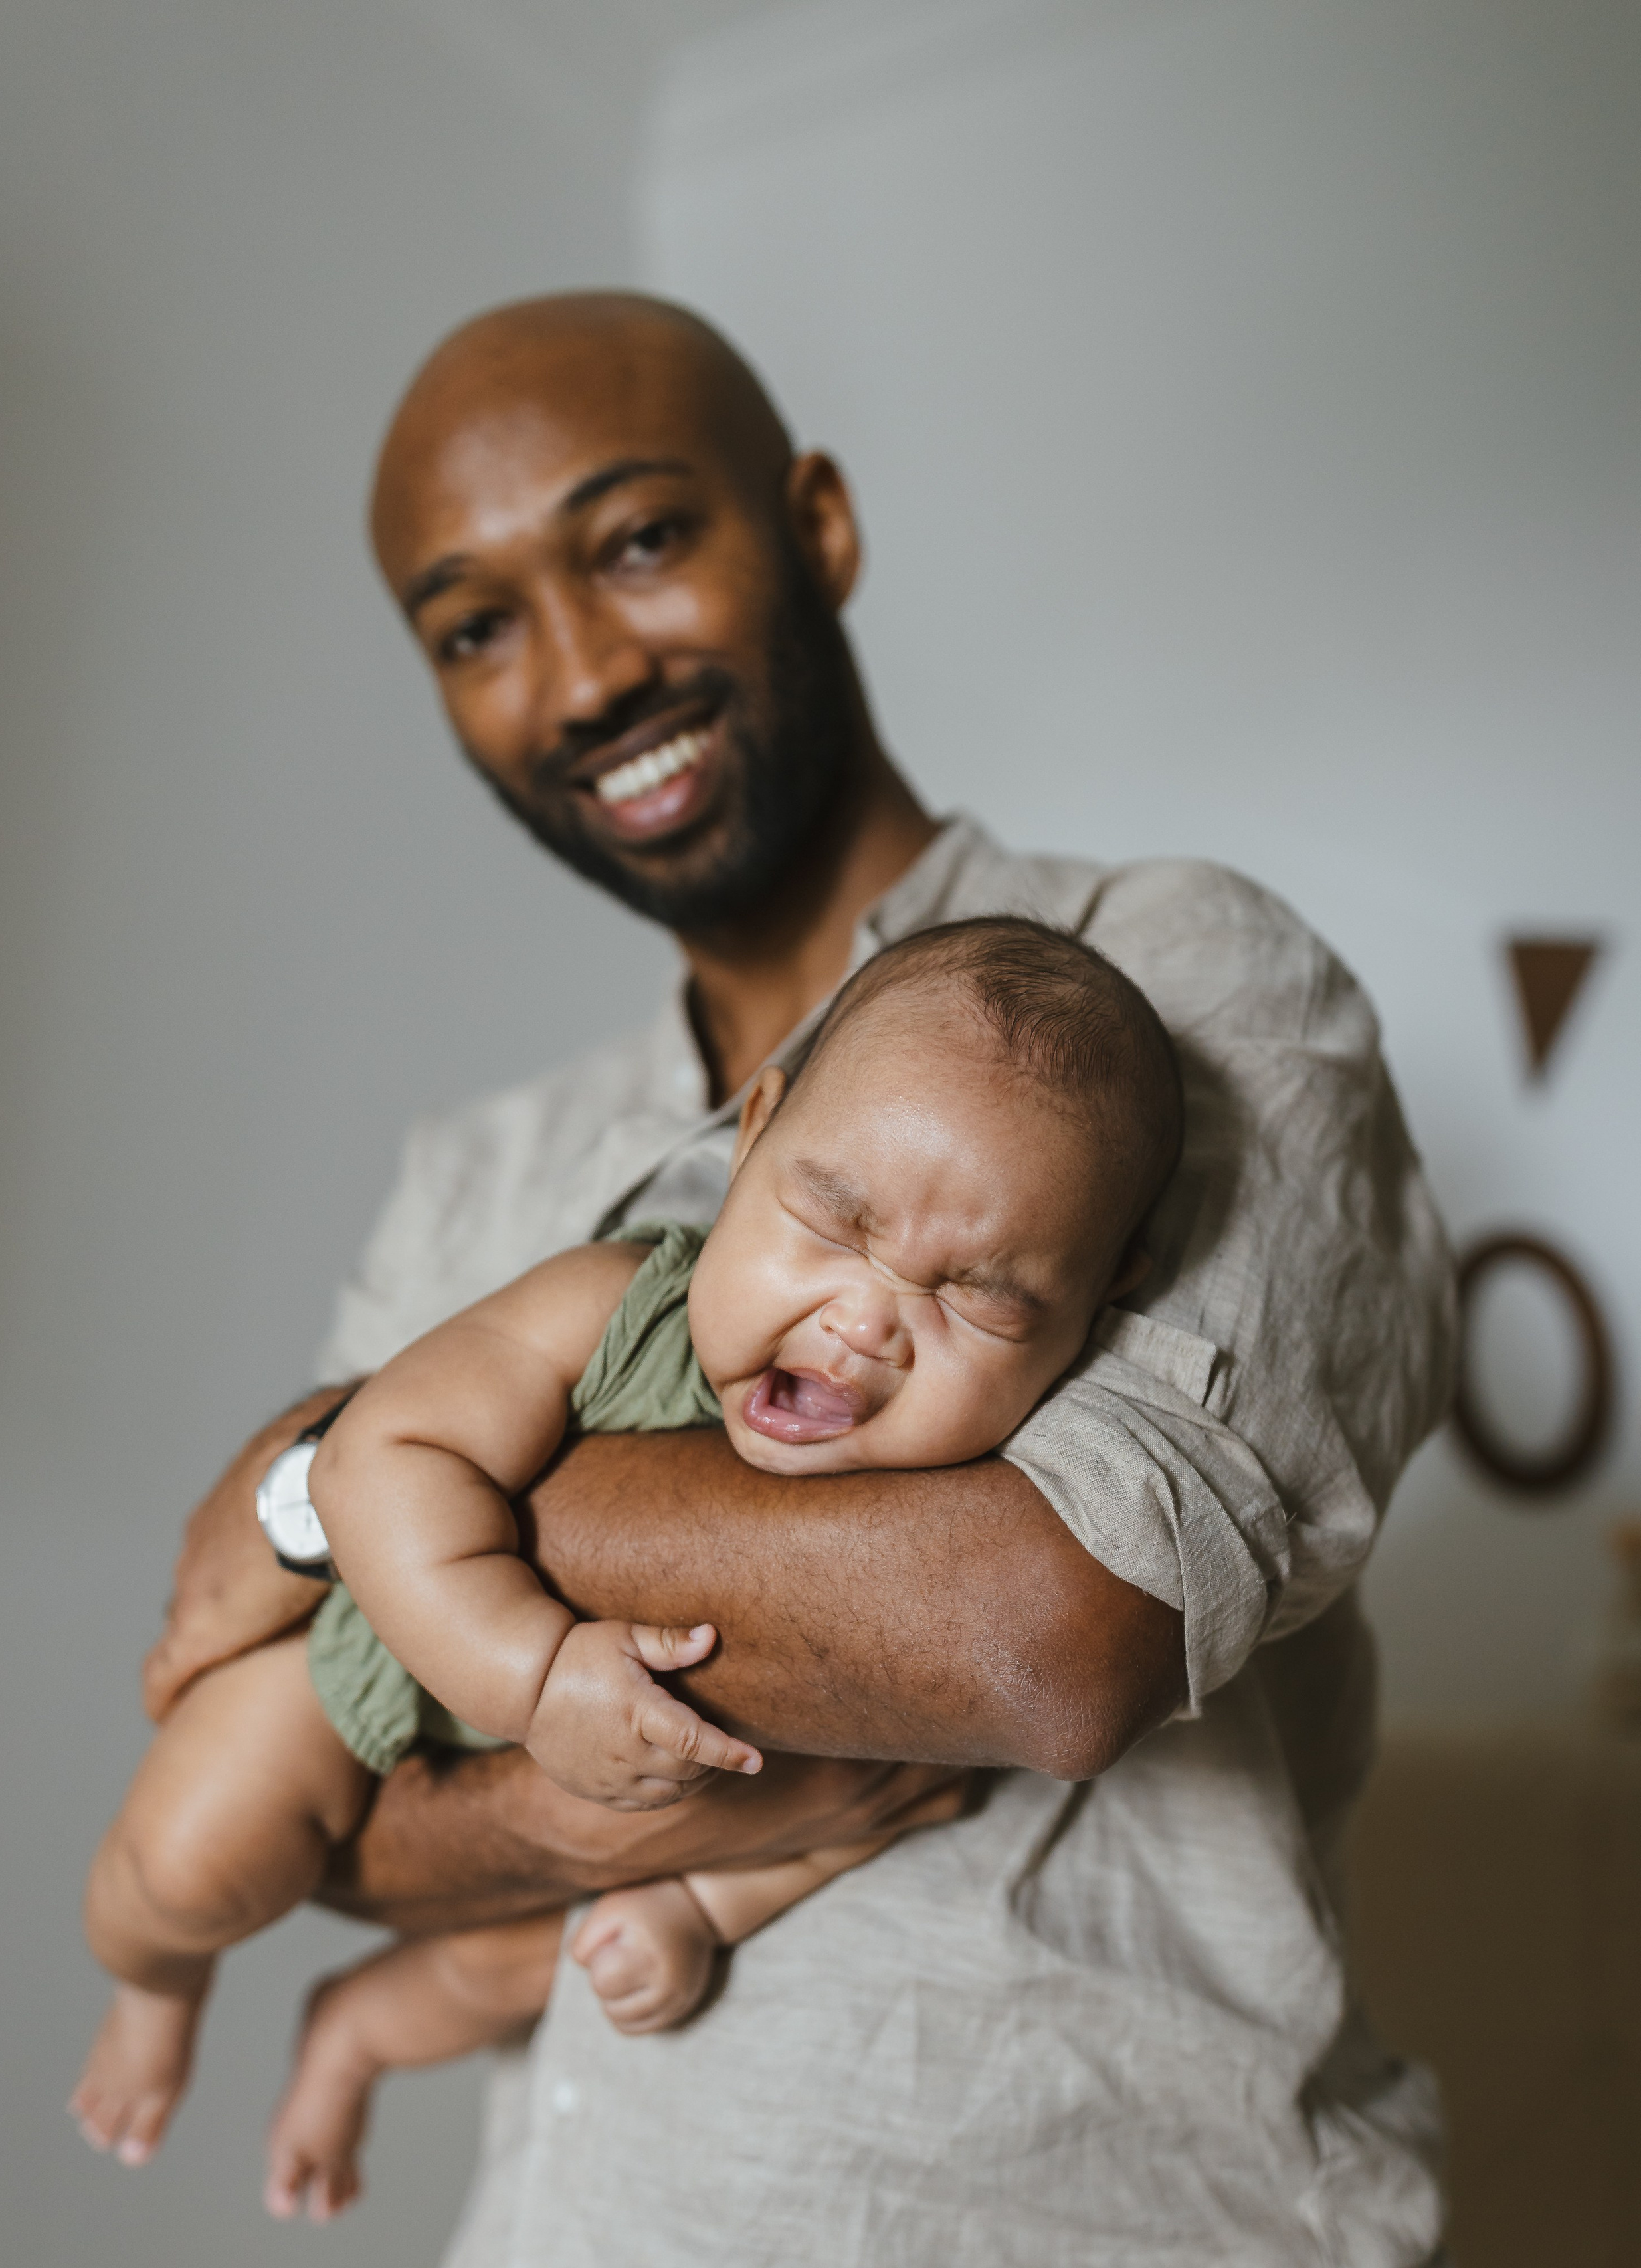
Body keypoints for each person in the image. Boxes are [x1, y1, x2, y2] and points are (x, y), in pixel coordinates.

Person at [132, 292, 1457, 2264]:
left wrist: (367, 1471)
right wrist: (574, 1810)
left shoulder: (1181, 988)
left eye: (641, 539)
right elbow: (306, 1795)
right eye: (475, 624)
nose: (580, 673)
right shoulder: (477, 1170)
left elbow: (1044, 1626)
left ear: (816, 524)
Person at [74, 917, 1185, 2222]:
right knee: (186, 1864)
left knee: (569, 1963)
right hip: (371, 1664)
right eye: (829, 1221)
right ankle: (156, 1980)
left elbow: (889, 1803)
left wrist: (705, 1907)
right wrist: (534, 1672)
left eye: (978, 1300)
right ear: (751, 1135)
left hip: (642, 1832)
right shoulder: (612, 1305)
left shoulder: (972, 1514)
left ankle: (355, 2034)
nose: (863, 1320)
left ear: (1095, 1311)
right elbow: (382, 1453)